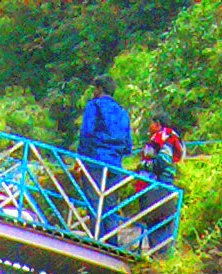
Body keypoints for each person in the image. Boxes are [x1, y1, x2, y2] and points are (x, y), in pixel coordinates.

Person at [77, 75, 130, 242]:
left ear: (99, 89)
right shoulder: (123, 113)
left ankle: (97, 240)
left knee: (94, 203)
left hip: (95, 161)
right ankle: (112, 243)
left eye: (95, 88)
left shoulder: (94, 106)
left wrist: (81, 159)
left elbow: (86, 133)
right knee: (111, 205)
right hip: (115, 165)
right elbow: (128, 146)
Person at [137, 114, 184, 253]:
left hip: (159, 187)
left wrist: (143, 166)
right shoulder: (164, 139)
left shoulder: (165, 139)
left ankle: (161, 259)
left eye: (151, 123)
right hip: (157, 187)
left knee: (158, 224)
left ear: (158, 124)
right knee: (156, 225)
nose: (149, 127)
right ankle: (160, 258)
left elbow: (162, 162)